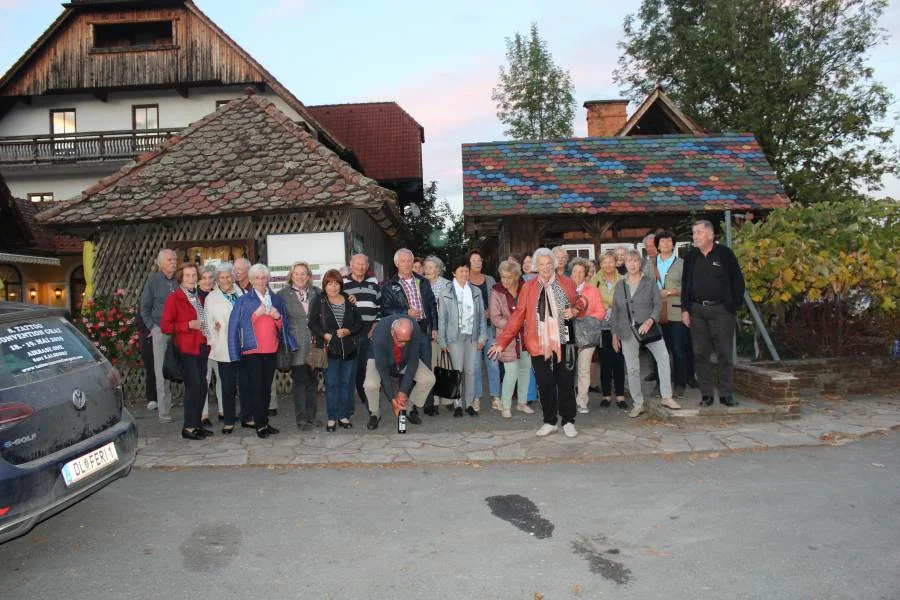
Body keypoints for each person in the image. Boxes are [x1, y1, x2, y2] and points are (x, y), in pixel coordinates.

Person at [488, 248, 582, 438]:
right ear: (536, 267)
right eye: (542, 264)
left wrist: (575, 310)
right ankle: (549, 421)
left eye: (549, 263)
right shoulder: (529, 288)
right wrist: (501, 342)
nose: (546, 267)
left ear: (554, 264)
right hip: (538, 342)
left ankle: (568, 421)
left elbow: (580, 302)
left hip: (565, 339)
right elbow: (518, 316)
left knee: (565, 382)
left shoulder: (567, 283)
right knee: (545, 383)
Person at [227, 263, 297, 438]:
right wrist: (255, 315)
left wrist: (278, 317)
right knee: (257, 388)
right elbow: (234, 327)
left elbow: (283, 326)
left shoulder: (276, 300)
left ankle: (264, 421)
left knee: (266, 388)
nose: (260, 280)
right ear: (251, 280)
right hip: (252, 351)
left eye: (263, 277)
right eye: (257, 277)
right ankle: (259, 425)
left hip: (271, 349)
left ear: (268, 279)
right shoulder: (243, 301)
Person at [681, 220, 746, 407]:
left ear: (710, 235)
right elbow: (686, 285)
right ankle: (706, 395)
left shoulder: (725, 254)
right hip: (697, 311)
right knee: (700, 354)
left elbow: (738, 282)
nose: (695, 237)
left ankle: (726, 394)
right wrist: (686, 309)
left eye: (698, 233)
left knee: (724, 353)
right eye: (693, 233)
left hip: (722, 311)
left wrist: (732, 306)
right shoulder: (691, 257)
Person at [610, 250, 680, 418]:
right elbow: (615, 311)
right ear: (625, 264)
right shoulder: (620, 285)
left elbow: (657, 305)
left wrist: (650, 320)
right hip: (627, 331)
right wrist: (614, 334)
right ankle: (638, 403)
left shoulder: (649, 282)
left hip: (649, 329)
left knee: (663, 359)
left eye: (635, 261)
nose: (632, 264)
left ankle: (667, 397)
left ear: (639, 263)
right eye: (629, 261)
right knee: (633, 369)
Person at [380, 248, 439, 422]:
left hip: (422, 330)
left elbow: (431, 306)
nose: (407, 264)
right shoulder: (389, 286)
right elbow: (386, 311)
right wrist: (405, 312)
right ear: (396, 263)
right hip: (403, 333)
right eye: (403, 261)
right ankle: (407, 407)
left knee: (426, 368)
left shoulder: (422, 281)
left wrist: (434, 327)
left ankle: (421, 404)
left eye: (409, 261)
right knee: (407, 370)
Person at [160, 264, 211, 440]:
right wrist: (187, 325)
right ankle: (188, 427)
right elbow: (165, 326)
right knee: (193, 387)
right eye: (187, 275)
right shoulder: (174, 299)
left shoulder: (198, 297)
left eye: (193, 275)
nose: (191, 278)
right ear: (181, 278)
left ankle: (196, 424)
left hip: (202, 346)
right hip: (186, 348)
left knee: (202, 386)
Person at [309, 269, 363, 432]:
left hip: (349, 350)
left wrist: (349, 331)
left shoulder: (349, 300)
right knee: (331, 385)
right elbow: (312, 323)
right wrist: (325, 335)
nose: (333, 287)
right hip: (330, 350)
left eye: (336, 283)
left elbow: (358, 323)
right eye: (329, 284)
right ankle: (332, 417)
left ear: (341, 285)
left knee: (346, 384)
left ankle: (343, 416)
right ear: (324, 285)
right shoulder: (319, 301)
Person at [362, 315, 436, 430]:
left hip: (404, 360)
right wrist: (393, 399)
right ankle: (375, 413)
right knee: (370, 384)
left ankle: (409, 409)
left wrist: (402, 392)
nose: (403, 345)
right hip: (379, 359)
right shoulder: (380, 331)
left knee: (428, 379)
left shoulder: (414, 328)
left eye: (406, 341)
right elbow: (383, 370)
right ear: (392, 332)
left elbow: (413, 362)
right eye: (399, 340)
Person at [438, 256, 488, 417]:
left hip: (472, 336)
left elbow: (481, 316)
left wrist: (482, 337)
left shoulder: (476, 291)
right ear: (454, 272)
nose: (465, 273)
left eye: (466, 270)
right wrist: (442, 340)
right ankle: (457, 404)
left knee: (472, 370)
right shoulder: (446, 292)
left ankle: (470, 404)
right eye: (461, 271)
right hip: (455, 337)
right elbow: (442, 319)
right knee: (457, 370)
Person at [488, 260, 535, 418]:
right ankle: (506, 405)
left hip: (525, 336)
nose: (505, 281)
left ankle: (522, 403)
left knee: (525, 369)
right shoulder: (496, 291)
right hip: (506, 337)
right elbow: (495, 317)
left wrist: (524, 323)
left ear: (516, 276)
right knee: (511, 371)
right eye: (502, 277)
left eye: (509, 277)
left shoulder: (525, 288)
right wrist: (514, 324)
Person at [278, 261, 321, 430]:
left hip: (315, 344)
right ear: (291, 276)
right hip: (295, 344)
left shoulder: (317, 293)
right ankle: (301, 419)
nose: (300, 277)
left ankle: (312, 416)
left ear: (309, 276)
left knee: (312, 381)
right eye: (297, 274)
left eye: (303, 273)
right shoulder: (282, 295)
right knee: (300, 381)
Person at [139, 249, 178, 422]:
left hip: (180, 331)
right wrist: (152, 328)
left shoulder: (180, 280)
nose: (173, 262)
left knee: (182, 367)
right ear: (160, 263)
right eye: (170, 259)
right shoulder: (153, 281)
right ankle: (164, 411)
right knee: (162, 371)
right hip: (161, 331)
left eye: (175, 259)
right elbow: (144, 307)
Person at [204, 262, 243, 434]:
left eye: (228, 276)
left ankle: (247, 417)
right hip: (223, 347)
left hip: (243, 347)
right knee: (227, 386)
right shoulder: (211, 297)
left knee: (245, 384)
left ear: (233, 277)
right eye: (222, 277)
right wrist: (214, 337)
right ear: (217, 280)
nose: (226, 280)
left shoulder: (242, 293)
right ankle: (228, 420)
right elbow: (207, 323)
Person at [654, 231, 693, 398]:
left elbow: (689, 287)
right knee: (657, 351)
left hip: (676, 312)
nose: (666, 243)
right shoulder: (650, 264)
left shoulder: (682, 264)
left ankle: (679, 384)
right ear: (657, 245)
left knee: (678, 350)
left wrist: (669, 291)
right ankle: (660, 384)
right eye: (663, 241)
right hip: (655, 314)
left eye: (670, 241)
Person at [342, 254, 381, 414]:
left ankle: (368, 401)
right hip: (351, 331)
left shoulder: (374, 282)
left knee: (368, 366)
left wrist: (376, 324)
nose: (360, 266)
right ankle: (349, 406)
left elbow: (379, 306)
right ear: (351, 264)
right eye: (357, 263)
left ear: (367, 266)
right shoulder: (342, 283)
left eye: (363, 264)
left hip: (370, 330)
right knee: (353, 368)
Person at [568, 257, 606, 414]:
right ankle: (567, 399)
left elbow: (601, 311)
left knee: (584, 368)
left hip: (587, 333)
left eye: (581, 272)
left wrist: (586, 319)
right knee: (567, 368)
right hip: (567, 332)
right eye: (575, 271)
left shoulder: (592, 290)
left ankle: (582, 401)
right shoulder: (564, 289)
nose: (577, 274)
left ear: (585, 275)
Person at [590, 251, 627, 409]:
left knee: (619, 360)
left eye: (611, 262)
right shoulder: (595, 280)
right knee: (605, 361)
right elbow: (591, 301)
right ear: (600, 264)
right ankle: (606, 395)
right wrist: (605, 308)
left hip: (620, 325)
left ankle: (620, 395)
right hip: (602, 325)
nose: (608, 265)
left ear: (616, 262)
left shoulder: (623, 280)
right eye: (604, 262)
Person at [467, 249, 500, 412]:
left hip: (489, 327)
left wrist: (491, 312)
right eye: (474, 260)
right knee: (475, 365)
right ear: (469, 262)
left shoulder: (490, 279)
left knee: (493, 363)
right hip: (472, 329)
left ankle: (496, 397)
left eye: (479, 260)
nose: (477, 262)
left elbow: (497, 300)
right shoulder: (464, 280)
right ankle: (476, 397)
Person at [423, 255, 451, 414]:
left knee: (445, 365)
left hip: (446, 331)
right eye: (426, 267)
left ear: (439, 269)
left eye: (431, 267)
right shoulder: (422, 285)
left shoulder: (448, 285)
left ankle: (447, 398)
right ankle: (432, 400)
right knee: (432, 365)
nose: (427, 270)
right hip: (430, 331)